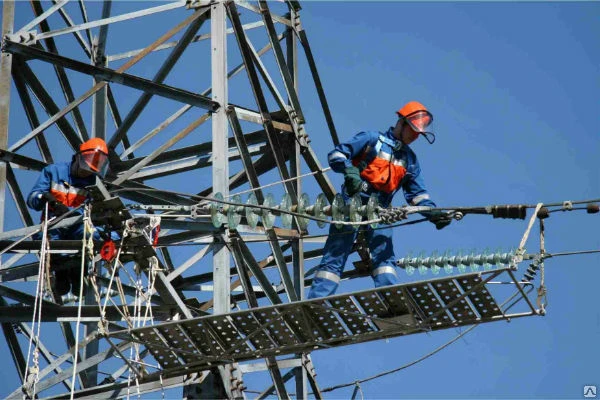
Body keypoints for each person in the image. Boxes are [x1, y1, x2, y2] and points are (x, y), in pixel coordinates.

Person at [307, 101, 451, 299]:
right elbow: (337, 154)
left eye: (418, 134)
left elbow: (418, 196)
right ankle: (317, 300)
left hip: (380, 211)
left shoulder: (410, 160)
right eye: (413, 131)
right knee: (336, 254)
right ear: (401, 123)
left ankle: (392, 298)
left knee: (384, 256)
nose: (414, 137)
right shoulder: (372, 139)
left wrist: (432, 213)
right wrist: (350, 172)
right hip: (352, 204)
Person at [27, 137, 111, 296]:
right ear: (79, 157)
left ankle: (79, 271)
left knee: (91, 235)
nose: (87, 172)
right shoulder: (54, 172)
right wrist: (49, 201)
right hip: (54, 225)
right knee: (52, 244)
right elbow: (32, 200)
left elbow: (101, 214)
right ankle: (60, 273)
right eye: (87, 165)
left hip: (78, 227)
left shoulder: (94, 183)